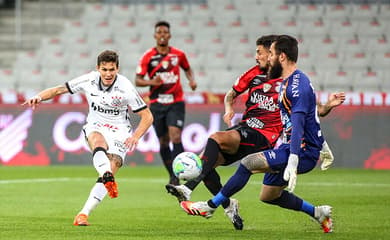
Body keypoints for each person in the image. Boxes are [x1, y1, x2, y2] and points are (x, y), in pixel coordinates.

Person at [166, 35, 345, 230]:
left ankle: (208, 205)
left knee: (244, 161)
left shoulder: (296, 86)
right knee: (268, 195)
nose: (264, 58)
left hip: (291, 148)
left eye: (269, 54)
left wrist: (295, 159)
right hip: (278, 141)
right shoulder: (287, 81)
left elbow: (301, 123)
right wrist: (324, 141)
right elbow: (311, 115)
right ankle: (319, 213)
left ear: (279, 56)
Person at [22, 50, 154, 226]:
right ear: (98, 68)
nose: (108, 74)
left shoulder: (126, 87)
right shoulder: (88, 80)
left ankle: (83, 213)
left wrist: (136, 136)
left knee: (112, 164)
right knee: (98, 142)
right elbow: (58, 89)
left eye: (112, 69)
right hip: (96, 125)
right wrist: (38, 97)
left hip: (120, 130)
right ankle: (105, 173)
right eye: (104, 69)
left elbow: (147, 116)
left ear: (117, 69)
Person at [135, 20, 197, 186]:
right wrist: (153, 83)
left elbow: (187, 68)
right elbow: (138, 80)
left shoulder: (178, 55)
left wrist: (191, 80)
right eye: (159, 32)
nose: (162, 35)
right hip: (157, 104)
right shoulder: (148, 56)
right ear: (155, 35)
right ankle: (173, 175)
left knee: (175, 135)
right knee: (163, 141)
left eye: (165, 32)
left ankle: (185, 171)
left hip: (176, 102)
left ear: (169, 35)